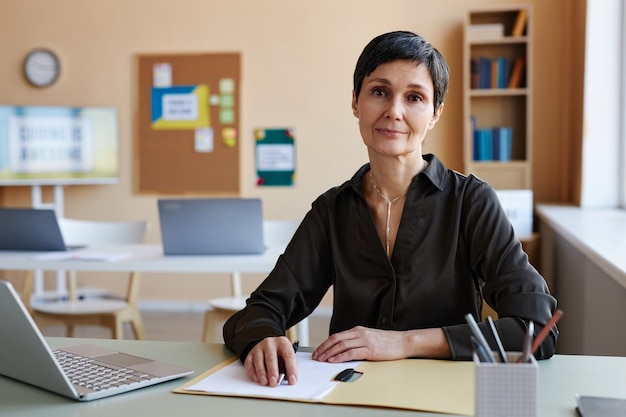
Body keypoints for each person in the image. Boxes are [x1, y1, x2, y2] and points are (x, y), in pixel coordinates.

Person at [224, 30, 558, 387]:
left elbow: (536, 327)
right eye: (379, 92)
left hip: (444, 396)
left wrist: (405, 342)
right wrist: (262, 337)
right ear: (355, 102)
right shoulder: (332, 210)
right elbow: (260, 310)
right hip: (349, 394)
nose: (394, 112)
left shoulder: (471, 201)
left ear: (434, 114)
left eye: (414, 97)